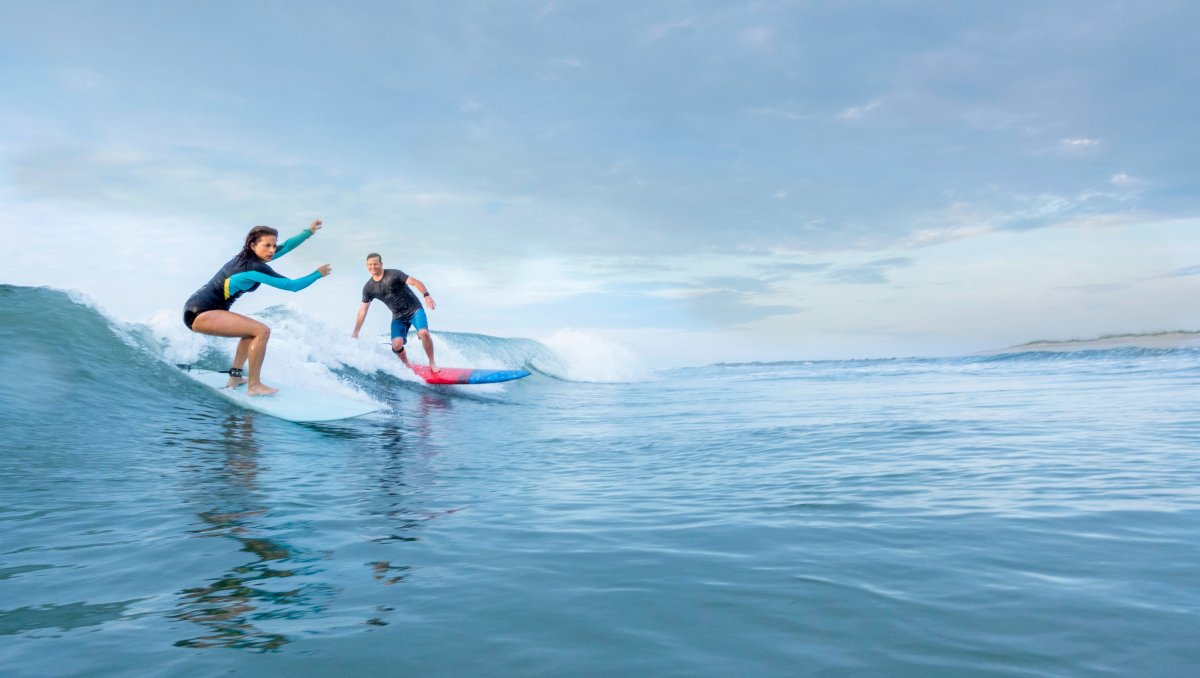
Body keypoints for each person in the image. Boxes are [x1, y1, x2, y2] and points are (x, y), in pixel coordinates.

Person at [183, 220, 331, 396]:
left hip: (200, 308)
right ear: (253, 245)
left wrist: (309, 232)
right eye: (267, 245)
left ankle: (236, 377)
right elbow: (292, 286)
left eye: (273, 246)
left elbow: (286, 246)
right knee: (262, 331)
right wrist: (317, 274)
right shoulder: (254, 267)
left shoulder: (249, 257)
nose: (272, 250)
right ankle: (254, 385)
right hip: (201, 312)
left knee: (250, 332)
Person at [352, 253, 438, 372]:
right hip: (398, 317)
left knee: (424, 333)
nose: (373, 267)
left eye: (375, 264)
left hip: (414, 309)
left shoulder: (394, 274)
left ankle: (432, 362)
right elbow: (363, 311)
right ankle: (408, 365)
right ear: (367, 265)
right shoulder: (369, 288)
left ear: (381, 264)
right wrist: (356, 332)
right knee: (397, 345)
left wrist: (426, 295)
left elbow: (416, 282)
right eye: (370, 265)